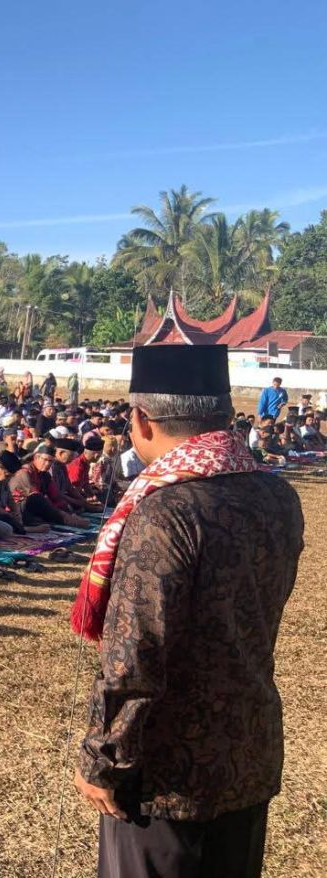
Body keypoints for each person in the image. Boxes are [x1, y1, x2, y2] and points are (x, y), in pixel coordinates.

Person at [71, 344, 303, 878]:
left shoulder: (167, 510)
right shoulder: (276, 495)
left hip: (168, 771)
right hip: (248, 745)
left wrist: (103, 758)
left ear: (142, 420)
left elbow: (135, 655)